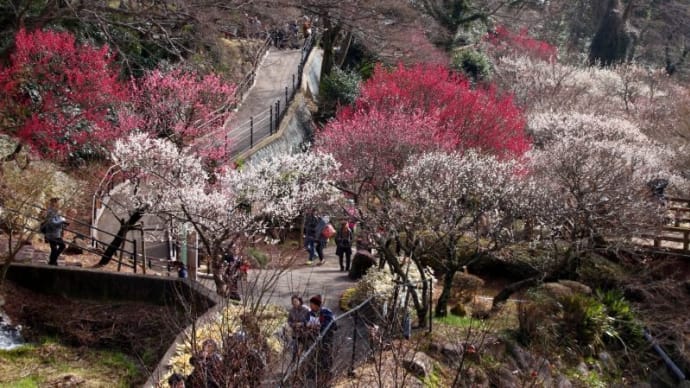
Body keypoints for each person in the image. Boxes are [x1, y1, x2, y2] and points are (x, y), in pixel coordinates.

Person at [307, 295, 336, 383]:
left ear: (317, 305)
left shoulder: (326, 312)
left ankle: (327, 373)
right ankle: (313, 373)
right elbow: (307, 321)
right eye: (310, 304)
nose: (310, 306)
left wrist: (319, 326)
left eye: (312, 304)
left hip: (325, 338)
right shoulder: (310, 313)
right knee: (313, 356)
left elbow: (330, 324)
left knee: (325, 356)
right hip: (313, 338)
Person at [41, 197, 69, 266]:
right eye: (58, 202)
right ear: (54, 203)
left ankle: (52, 261)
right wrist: (62, 221)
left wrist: (63, 222)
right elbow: (52, 223)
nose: (59, 204)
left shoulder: (55, 211)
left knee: (54, 248)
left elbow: (57, 221)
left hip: (54, 233)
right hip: (52, 233)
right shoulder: (51, 212)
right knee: (62, 246)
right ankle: (53, 260)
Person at [287, 295, 310, 361]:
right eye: (293, 302)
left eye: (296, 301)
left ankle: (307, 360)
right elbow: (289, 321)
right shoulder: (291, 311)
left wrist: (302, 324)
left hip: (304, 332)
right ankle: (294, 361)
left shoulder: (305, 310)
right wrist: (294, 325)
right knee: (295, 348)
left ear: (299, 301)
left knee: (306, 347)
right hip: (295, 333)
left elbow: (308, 320)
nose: (295, 303)